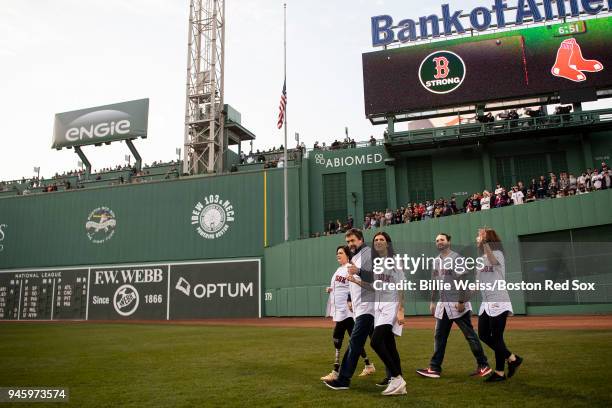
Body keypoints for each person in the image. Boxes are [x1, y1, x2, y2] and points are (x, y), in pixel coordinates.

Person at [416, 233, 491, 379]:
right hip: (443, 305)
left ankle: (483, 365)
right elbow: (434, 283)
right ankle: (435, 368)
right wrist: (432, 301)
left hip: (457, 304)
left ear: (449, 242)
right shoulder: (436, 261)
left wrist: (462, 301)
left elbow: (462, 279)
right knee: (439, 336)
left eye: (442, 240)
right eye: (437, 240)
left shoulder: (457, 258)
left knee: (470, 335)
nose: (439, 242)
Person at [324, 229, 376, 390]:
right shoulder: (353, 260)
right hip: (356, 308)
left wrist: (349, 299)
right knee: (379, 343)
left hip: (362, 308)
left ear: (360, 239)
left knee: (355, 341)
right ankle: (391, 373)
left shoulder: (363, 257)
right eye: (348, 242)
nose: (350, 244)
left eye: (352, 241)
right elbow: (350, 283)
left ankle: (341, 377)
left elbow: (372, 279)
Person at [476, 228, 523, 382]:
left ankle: (500, 372)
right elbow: (478, 283)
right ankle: (512, 359)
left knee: (497, 337)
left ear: (487, 239)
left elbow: (493, 261)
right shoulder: (480, 259)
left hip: (499, 300)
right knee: (483, 334)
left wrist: (485, 243)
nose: (477, 238)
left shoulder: (497, 254)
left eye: (480, 236)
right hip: (486, 302)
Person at [370, 232, 407, 396]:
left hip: (391, 306)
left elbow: (401, 286)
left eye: (381, 240)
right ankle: (398, 382)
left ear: (388, 243)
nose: (378, 242)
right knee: (389, 345)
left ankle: (397, 377)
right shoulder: (376, 262)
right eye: (376, 240)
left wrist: (400, 310)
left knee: (376, 342)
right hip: (379, 307)